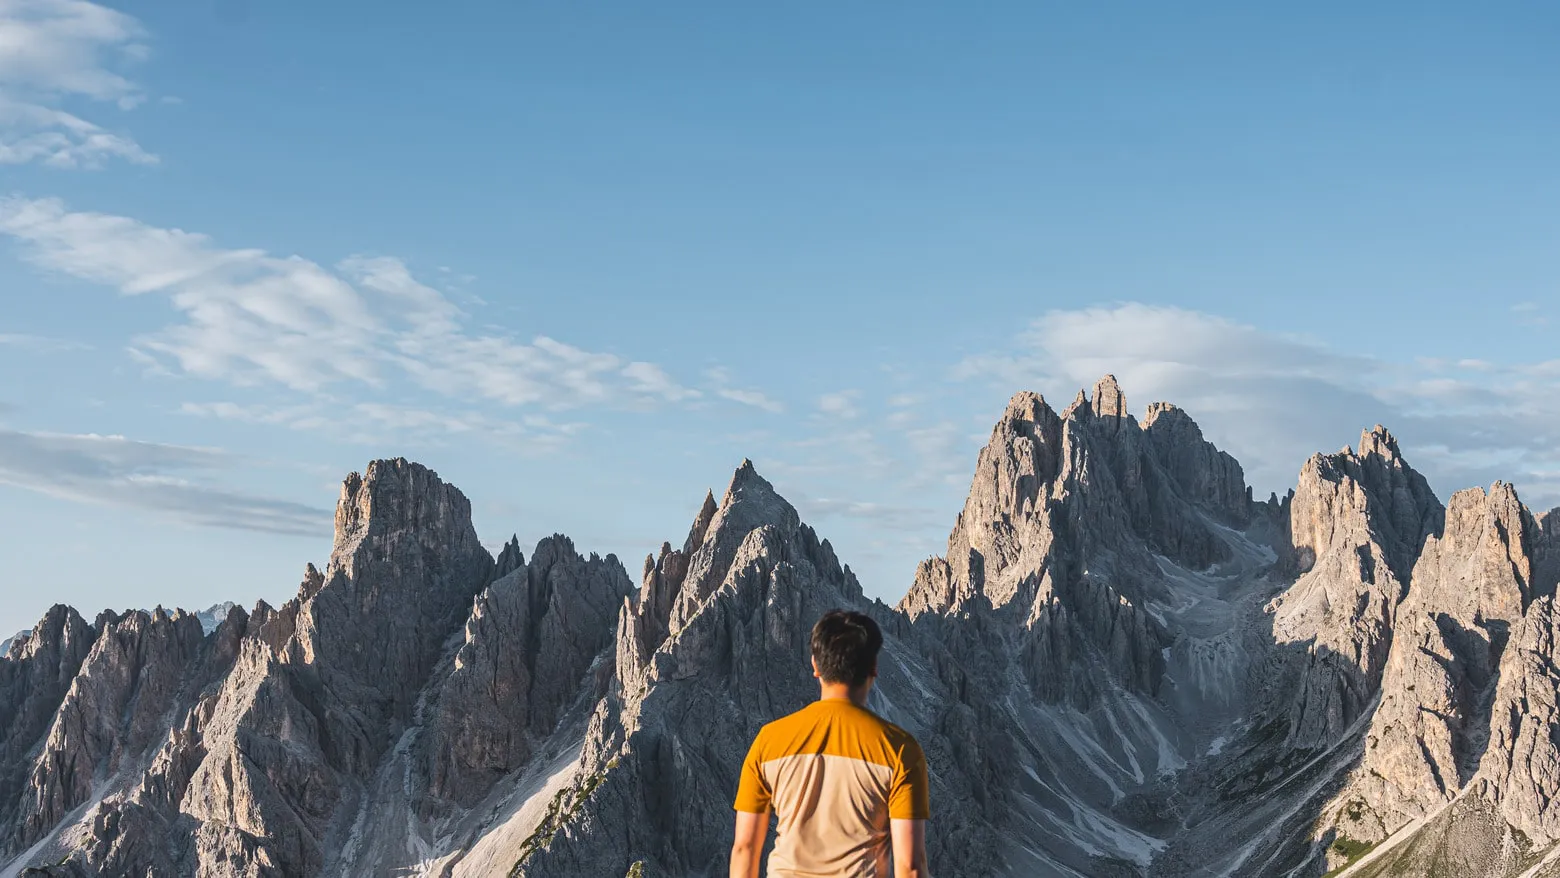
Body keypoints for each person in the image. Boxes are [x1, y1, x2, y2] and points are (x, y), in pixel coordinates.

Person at [730, 609, 930, 878]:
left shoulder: (769, 740)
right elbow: (911, 866)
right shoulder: (900, 750)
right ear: (873, 667)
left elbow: (744, 849)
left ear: (815, 665)